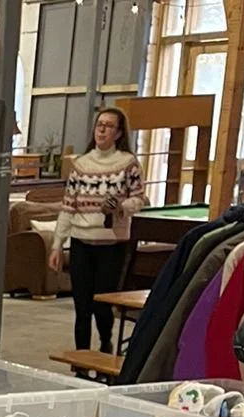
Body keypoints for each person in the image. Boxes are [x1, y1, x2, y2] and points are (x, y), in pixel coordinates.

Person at [49, 107, 146, 355]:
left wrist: (120, 206)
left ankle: (105, 346)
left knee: (102, 303)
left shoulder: (128, 163)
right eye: (99, 125)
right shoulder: (80, 164)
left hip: (112, 243)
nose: (102, 130)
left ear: (119, 133)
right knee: (81, 305)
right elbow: (68, 206)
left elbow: (139, 199)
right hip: (81, 240)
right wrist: (57, 245)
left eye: (108, 126)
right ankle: (81, 358)